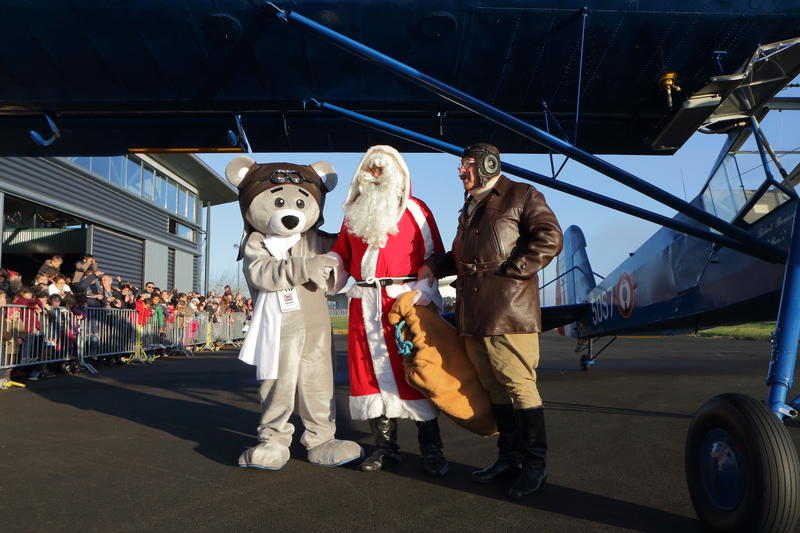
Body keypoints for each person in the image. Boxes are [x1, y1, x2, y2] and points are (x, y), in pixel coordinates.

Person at [418, 143, 563, 499]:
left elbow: (550, 237)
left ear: (488, 163)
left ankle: (535, 465)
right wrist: (434, 265)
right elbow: (461, 256)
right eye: (461, 165)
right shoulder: (470, 206)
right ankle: (509, 458)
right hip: (473, 312)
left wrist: (513, 272)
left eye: (466, 164)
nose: (460, 171)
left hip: (508, 309)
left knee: (519, 385)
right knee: (493, 387)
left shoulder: (521, 194)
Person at [328, 145, 448, 476]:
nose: (375, 174)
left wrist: (423, 290)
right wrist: (326, 264)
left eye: (381, 169)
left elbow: (434, 254)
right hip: (363, 305)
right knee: (368, 375)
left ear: (397, 174)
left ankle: (432, 449)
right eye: (370, 169)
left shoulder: (416, 210)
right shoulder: (353, 214)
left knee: (417, 372)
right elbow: (341, 253)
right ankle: (385, 448)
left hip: (403, 303)